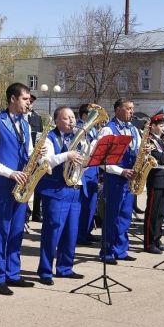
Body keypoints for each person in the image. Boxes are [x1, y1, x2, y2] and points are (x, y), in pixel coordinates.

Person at [0, 83, 35, 295]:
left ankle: (13, 273)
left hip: (22, 183)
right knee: (2, 230)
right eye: (25, 99)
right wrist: (10, 173)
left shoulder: (26, 123)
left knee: (17, 230)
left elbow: (29, 150)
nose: (28, 103)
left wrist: (36, 159)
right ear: (12, 99)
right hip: (5, 183)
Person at [36, 106, 86, 285]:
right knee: (52, 231)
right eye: (67, 118)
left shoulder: (78, 139)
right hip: (55, 190)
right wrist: (67, 155)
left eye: (73, 117)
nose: (72, 121)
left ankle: (65, 268)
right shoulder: (48, 138)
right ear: (57, 121)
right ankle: (45, 271)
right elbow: (46, 161)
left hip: (74, 189)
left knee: (71, 232)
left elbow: (84, 162)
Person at [97, 99, 142, 263]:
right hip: (115, 177)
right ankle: (107, 251)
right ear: (117, 110)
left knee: (125, 216)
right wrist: (121, 171)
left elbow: (136, 150)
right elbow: (102, 161)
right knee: (112, 216)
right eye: (128, 108)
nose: (132, 112)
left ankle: (121, 250)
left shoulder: (134, 129)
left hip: (129, 178)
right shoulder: (108, 130)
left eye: (132, 108)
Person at [143, 113, 164, 254]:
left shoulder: (160, 141)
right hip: (155, 178)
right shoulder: (149, 140)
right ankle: (149, 243)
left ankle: (157, 240)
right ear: (153, 126)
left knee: (160, 213)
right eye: (161, 126)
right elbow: (162, 159)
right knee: (152, 213)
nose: (163, 128)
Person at [76, 103, 100, 245]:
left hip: (94, 170)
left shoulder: (92, 129)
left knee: (91, 204)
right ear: (85, 115)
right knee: (83, 204)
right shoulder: (79, 128)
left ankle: (87, 231)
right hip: (85, 171)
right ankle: (80, 235)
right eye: (93, 115)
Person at [27, 94, 44, 222]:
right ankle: (25, 211)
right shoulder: (18, 117)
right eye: (28, 100)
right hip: (23, 156)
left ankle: (37, 213)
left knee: (37, 183)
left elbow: (40, 136)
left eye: (32, 101)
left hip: (35, 155)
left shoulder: (37, 118)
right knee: (24, 184)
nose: (30, 103)